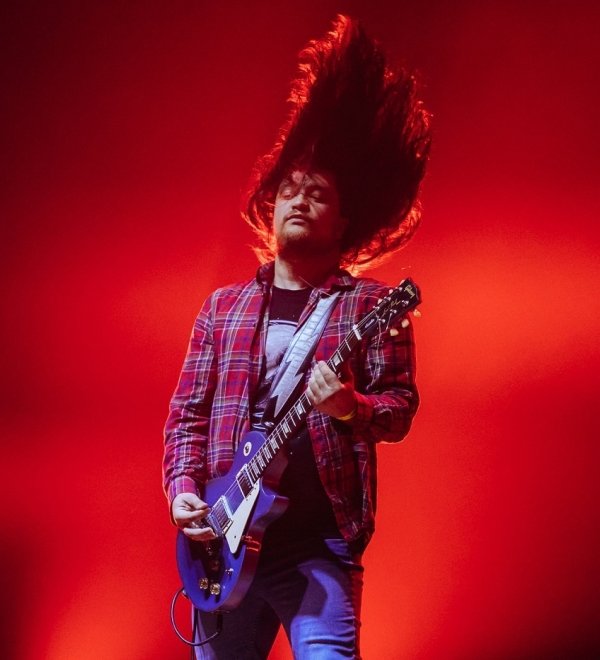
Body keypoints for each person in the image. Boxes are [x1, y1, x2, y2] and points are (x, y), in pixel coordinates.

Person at [163, 14, 431, 659]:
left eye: (317, 194)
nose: (299, 200)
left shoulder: (370, 306)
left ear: (345, 222)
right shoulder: (222, 309)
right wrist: (183, 494)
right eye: (289, 189)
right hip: (220, 550)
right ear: (270, 206)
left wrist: (350, 408)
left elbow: (398, 410)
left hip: (320, 547)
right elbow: (186, 418)